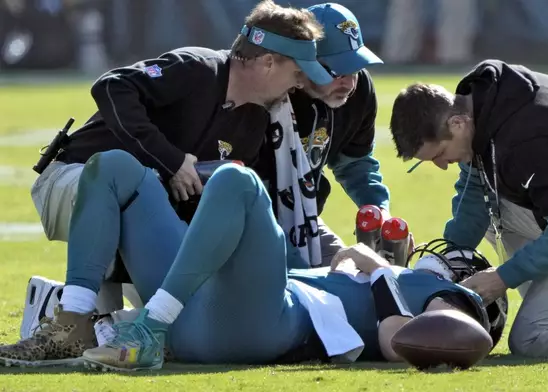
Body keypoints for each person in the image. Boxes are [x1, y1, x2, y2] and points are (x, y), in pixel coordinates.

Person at [0, 149, 497, 370]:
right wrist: (355, 265)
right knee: (115, 168)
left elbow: (402, 343)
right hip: (200, 309)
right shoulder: (374, 277)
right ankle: (74, 321)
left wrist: (384, 274)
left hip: (258, 327)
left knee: (238, 181)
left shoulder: (448, 295)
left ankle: (148, 330)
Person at [25, 0, 332, 320]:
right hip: (72, 179)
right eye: (297, 72)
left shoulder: (253, 124)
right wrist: (171, 161)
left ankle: (65, 313)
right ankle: (73, 312)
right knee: (132, 196)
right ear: (268, 62)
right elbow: (111, 86)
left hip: (138, 207)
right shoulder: (197, 67)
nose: (299, 84)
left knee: (176, 320)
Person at [388, 59, 548, 357]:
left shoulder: (528, 135)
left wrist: (502, 278)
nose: (442, 165)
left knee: (532, 336)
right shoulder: (480, 105)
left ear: (456, 123)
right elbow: (475, 194)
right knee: (495, 211)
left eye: (440, 154)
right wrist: (440, 267)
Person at [288, 3, 395, 265]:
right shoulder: (274, 92)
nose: (348, 83)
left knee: (355, 277)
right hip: (254, 223)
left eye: (355, 68)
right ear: (306, 63)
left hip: (304, 220)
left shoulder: (359, 92)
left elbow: (355, 162)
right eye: (336, 70)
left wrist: (379, 210)